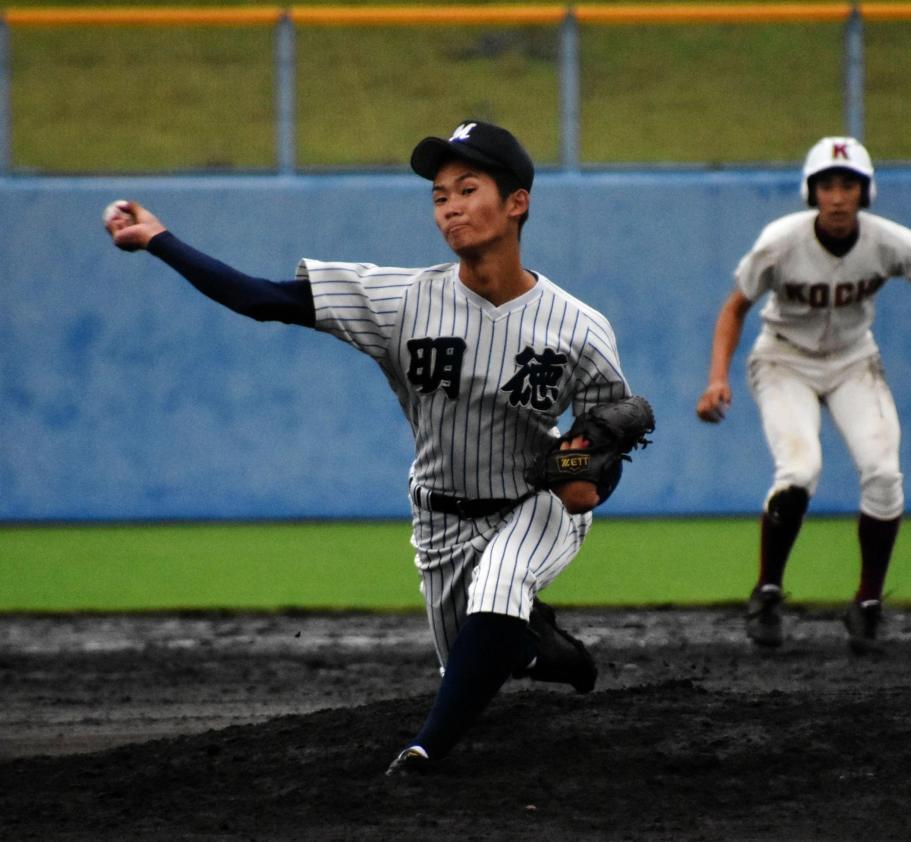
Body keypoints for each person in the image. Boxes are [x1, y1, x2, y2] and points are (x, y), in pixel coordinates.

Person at [105, 120, 640, 773]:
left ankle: (424, 752)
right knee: (476, 653)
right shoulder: (402, 300)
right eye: (440, 195)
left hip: (534, 501)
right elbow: (266, 299)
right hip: (440, 517)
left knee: (499, 590)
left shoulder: (578, 327)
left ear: (517, 202)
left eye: (468, 189)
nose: (449, 207)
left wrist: (590, 485)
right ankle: (544, 649)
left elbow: (610, 430)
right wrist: (161, 240)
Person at [696, 136, 911, 653]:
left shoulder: (888, 242)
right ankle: (767, 591)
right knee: (798, 473)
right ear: (812, 192)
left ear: (865, 193)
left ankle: (867, 603)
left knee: (884, 474)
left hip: (853, 360)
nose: (838, 196)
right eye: (828, 185)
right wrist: (717, 378)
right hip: (783, 358)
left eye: (848, 185)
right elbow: (735, 307)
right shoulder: (780, 240)